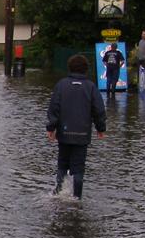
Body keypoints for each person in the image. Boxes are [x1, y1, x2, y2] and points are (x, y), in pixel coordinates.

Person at [46, 54, 107, 199]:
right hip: (82, 135)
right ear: (86, 69)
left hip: (64, 133)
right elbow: (99, 110)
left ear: (69, 68)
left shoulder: (61, 85)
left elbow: (54, 107)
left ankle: (58, 193)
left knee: (62, 165)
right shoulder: (91, 87)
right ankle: (77, 198)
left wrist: (51, 128)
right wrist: (100, 128)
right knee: (79, 168)